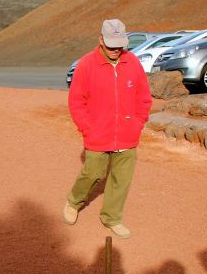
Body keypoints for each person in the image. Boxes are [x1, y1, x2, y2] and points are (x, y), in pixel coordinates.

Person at [63, 19, 152, 238]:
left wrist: (138, 123)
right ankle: (74, 201)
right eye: (111, 45)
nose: (116, 49)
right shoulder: (86, 64)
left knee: (121, 179)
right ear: (101, 40)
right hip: (97, 134)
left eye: (120, 45)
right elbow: (76, 102)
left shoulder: (132, 63)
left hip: (128, 134)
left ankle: (112, 218)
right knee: (92, 173)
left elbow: (143, 97)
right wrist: (88, 128)